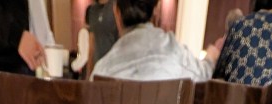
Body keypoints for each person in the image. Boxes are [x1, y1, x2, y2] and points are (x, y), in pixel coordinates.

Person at [91, 0, 221, 82]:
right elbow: (204, 75)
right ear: (156, 10)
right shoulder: (177, 55)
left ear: (116, 13)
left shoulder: (101, 71)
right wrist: (210, 57)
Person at [85, 0, 118, 75]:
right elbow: (91, 46)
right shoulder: (92, 10)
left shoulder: (116, 7)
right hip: (98, 70)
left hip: (114, 70)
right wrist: (88, 76)